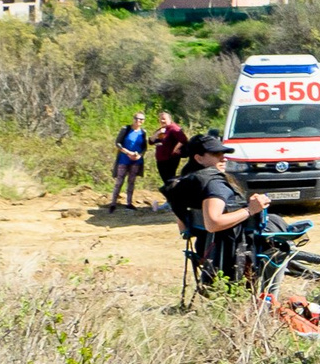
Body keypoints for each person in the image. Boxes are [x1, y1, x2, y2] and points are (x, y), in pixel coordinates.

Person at [172, 131, 270, 284]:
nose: (223, 158)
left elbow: (184, 228)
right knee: (281, 242)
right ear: (199, 158)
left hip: (206, 251)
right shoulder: (214, 183)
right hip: (234, 253)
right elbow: (213, 223)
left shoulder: (186, 182)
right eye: (216, 154)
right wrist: (250, 209)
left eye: (224, 153)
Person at [109, 111, 148, 211]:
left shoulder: (143, 132)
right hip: (124, 159)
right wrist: (127, 152)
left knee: (131, 181)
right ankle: (113, 203)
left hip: (136, 161)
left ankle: (129, 202)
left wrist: (139, 155)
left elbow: (144, 147)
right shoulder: (125, 129)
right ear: (133, 119)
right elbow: (118, 143)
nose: (139, 121)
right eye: (137, 118)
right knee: (119, 180)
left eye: (141, 119)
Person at [152, 114, 189, 188]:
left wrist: (175, 149)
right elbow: (151, 141)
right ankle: (171, 198)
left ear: (169, 119)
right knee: (167, 180)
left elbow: (183, 139)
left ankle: (173, 198)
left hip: (170, 159)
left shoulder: (173, 128)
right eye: (161, 119)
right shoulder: (162, 130)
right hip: (161, 159)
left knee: (169, 180)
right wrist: (157, 133)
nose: (162, 121)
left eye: (164, 119)